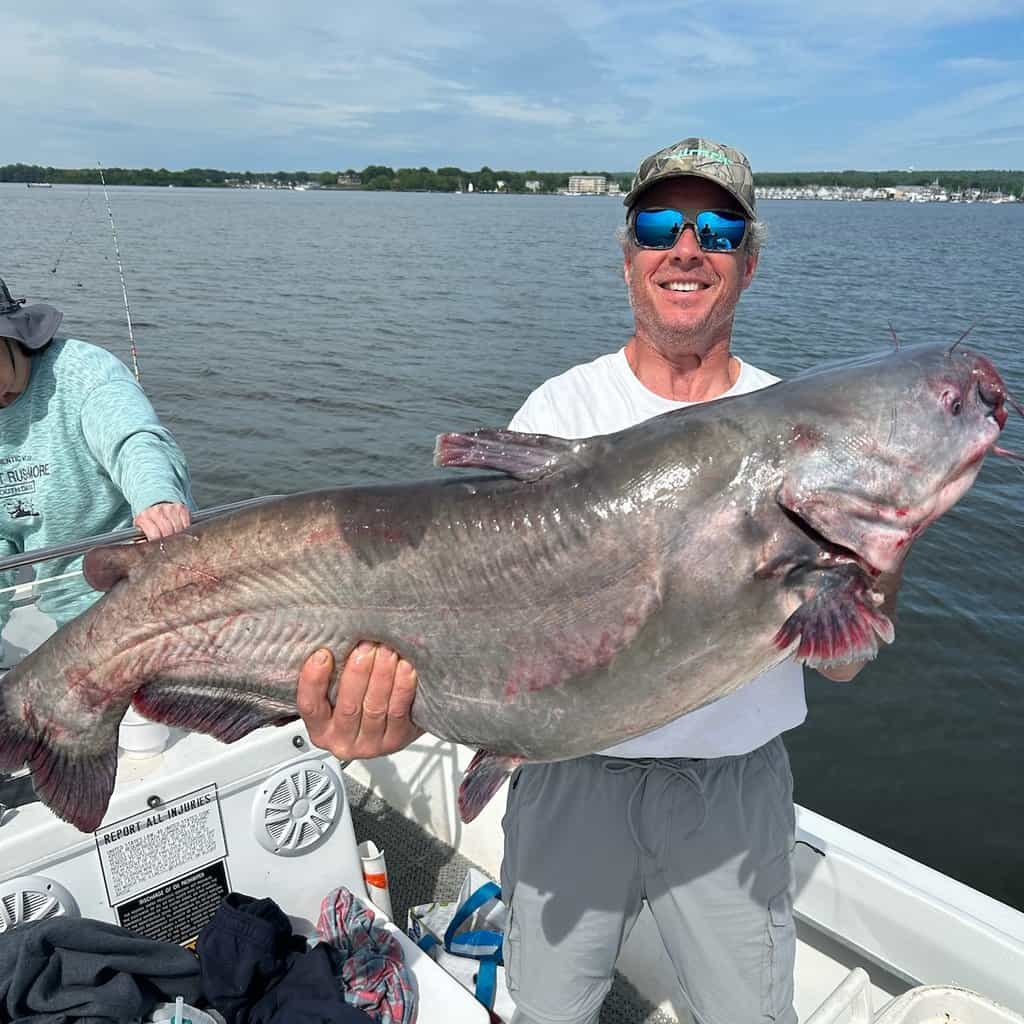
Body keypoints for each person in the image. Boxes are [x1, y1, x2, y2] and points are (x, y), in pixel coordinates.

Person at [293, 138, 895, 1024]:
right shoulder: (562, 413)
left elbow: (841, 664)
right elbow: (487, 616)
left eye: (717, 230)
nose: (685, 248)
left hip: (730, 792)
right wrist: (399, 698)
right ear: (628, 261)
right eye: (659, 226)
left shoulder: (803, 427)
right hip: (567, 775)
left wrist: (877, 563)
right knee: (550, 1011)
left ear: (749, 263)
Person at [0, 278, 194, 660]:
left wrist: (157, 500)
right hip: (67, 618)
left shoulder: (83, 372)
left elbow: (133, 440)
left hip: (149, 600)